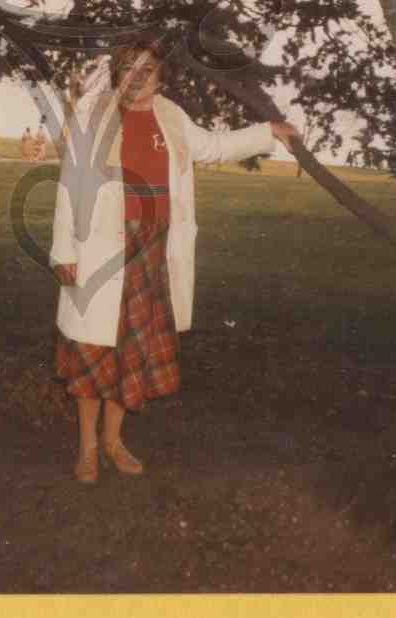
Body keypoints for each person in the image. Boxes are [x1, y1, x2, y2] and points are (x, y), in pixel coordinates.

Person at [50, 40, 298, 484]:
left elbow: (215, 146)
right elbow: (69, 184)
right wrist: (64, 251)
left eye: (148, 69)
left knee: (132, 351)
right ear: (117, 74)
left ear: (161, 77)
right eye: (129, 68)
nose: (138, 77)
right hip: (100, 249)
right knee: (93, 350)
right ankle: (87, 448)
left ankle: (113, 442)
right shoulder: (92, 116)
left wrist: (268, 132)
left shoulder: (172, 117)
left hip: (153, 250)